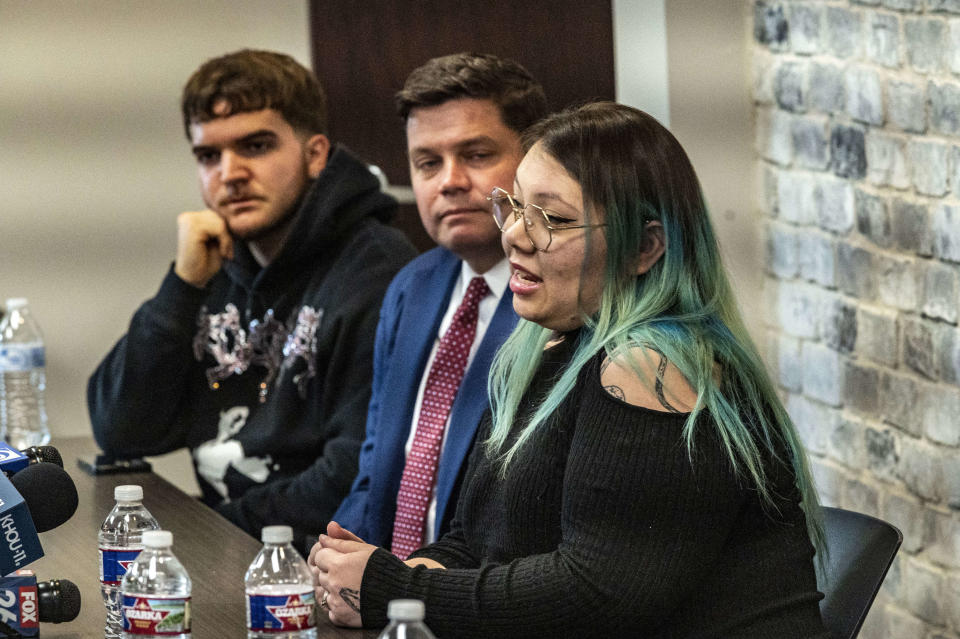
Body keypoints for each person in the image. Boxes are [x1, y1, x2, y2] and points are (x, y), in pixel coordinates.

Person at [309, 102, 830, 638]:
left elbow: (596, 596)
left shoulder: (654, 365)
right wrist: (399, 575)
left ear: (645, 248)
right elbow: (476, 537)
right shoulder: (546, 344)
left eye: (551, 220)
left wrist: (396, 589)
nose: (514, 234)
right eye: (513, 206)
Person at [87, 49, 416, 551]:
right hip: (233, 549)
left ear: (316, 154)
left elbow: (354, 473)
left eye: (256, 146)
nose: (229, 173)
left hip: (316, 566)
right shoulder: (211, 266)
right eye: (208, 156)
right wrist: (181, 287)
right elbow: (120, 428)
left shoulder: (377, 269)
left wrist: (208, 529)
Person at [331, 53, 547, 554]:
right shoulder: (413, 284)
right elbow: (376, 470)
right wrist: (335, 558)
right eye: (428, 163)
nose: (448, 181)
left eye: (475, 155)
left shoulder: (560, 302)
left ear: (536, 158)